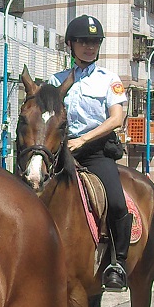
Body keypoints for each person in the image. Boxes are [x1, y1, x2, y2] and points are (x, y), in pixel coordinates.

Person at [51, 15, 131, 291]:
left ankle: (116, 263)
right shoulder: (56, 80)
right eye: (83, 41)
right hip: (62, 152)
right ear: (70, 44)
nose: (89, 47)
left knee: (117, 203)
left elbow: (116, 119)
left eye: (94, 42)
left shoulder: (109, 79)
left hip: (96, 152)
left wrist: (83, 139)